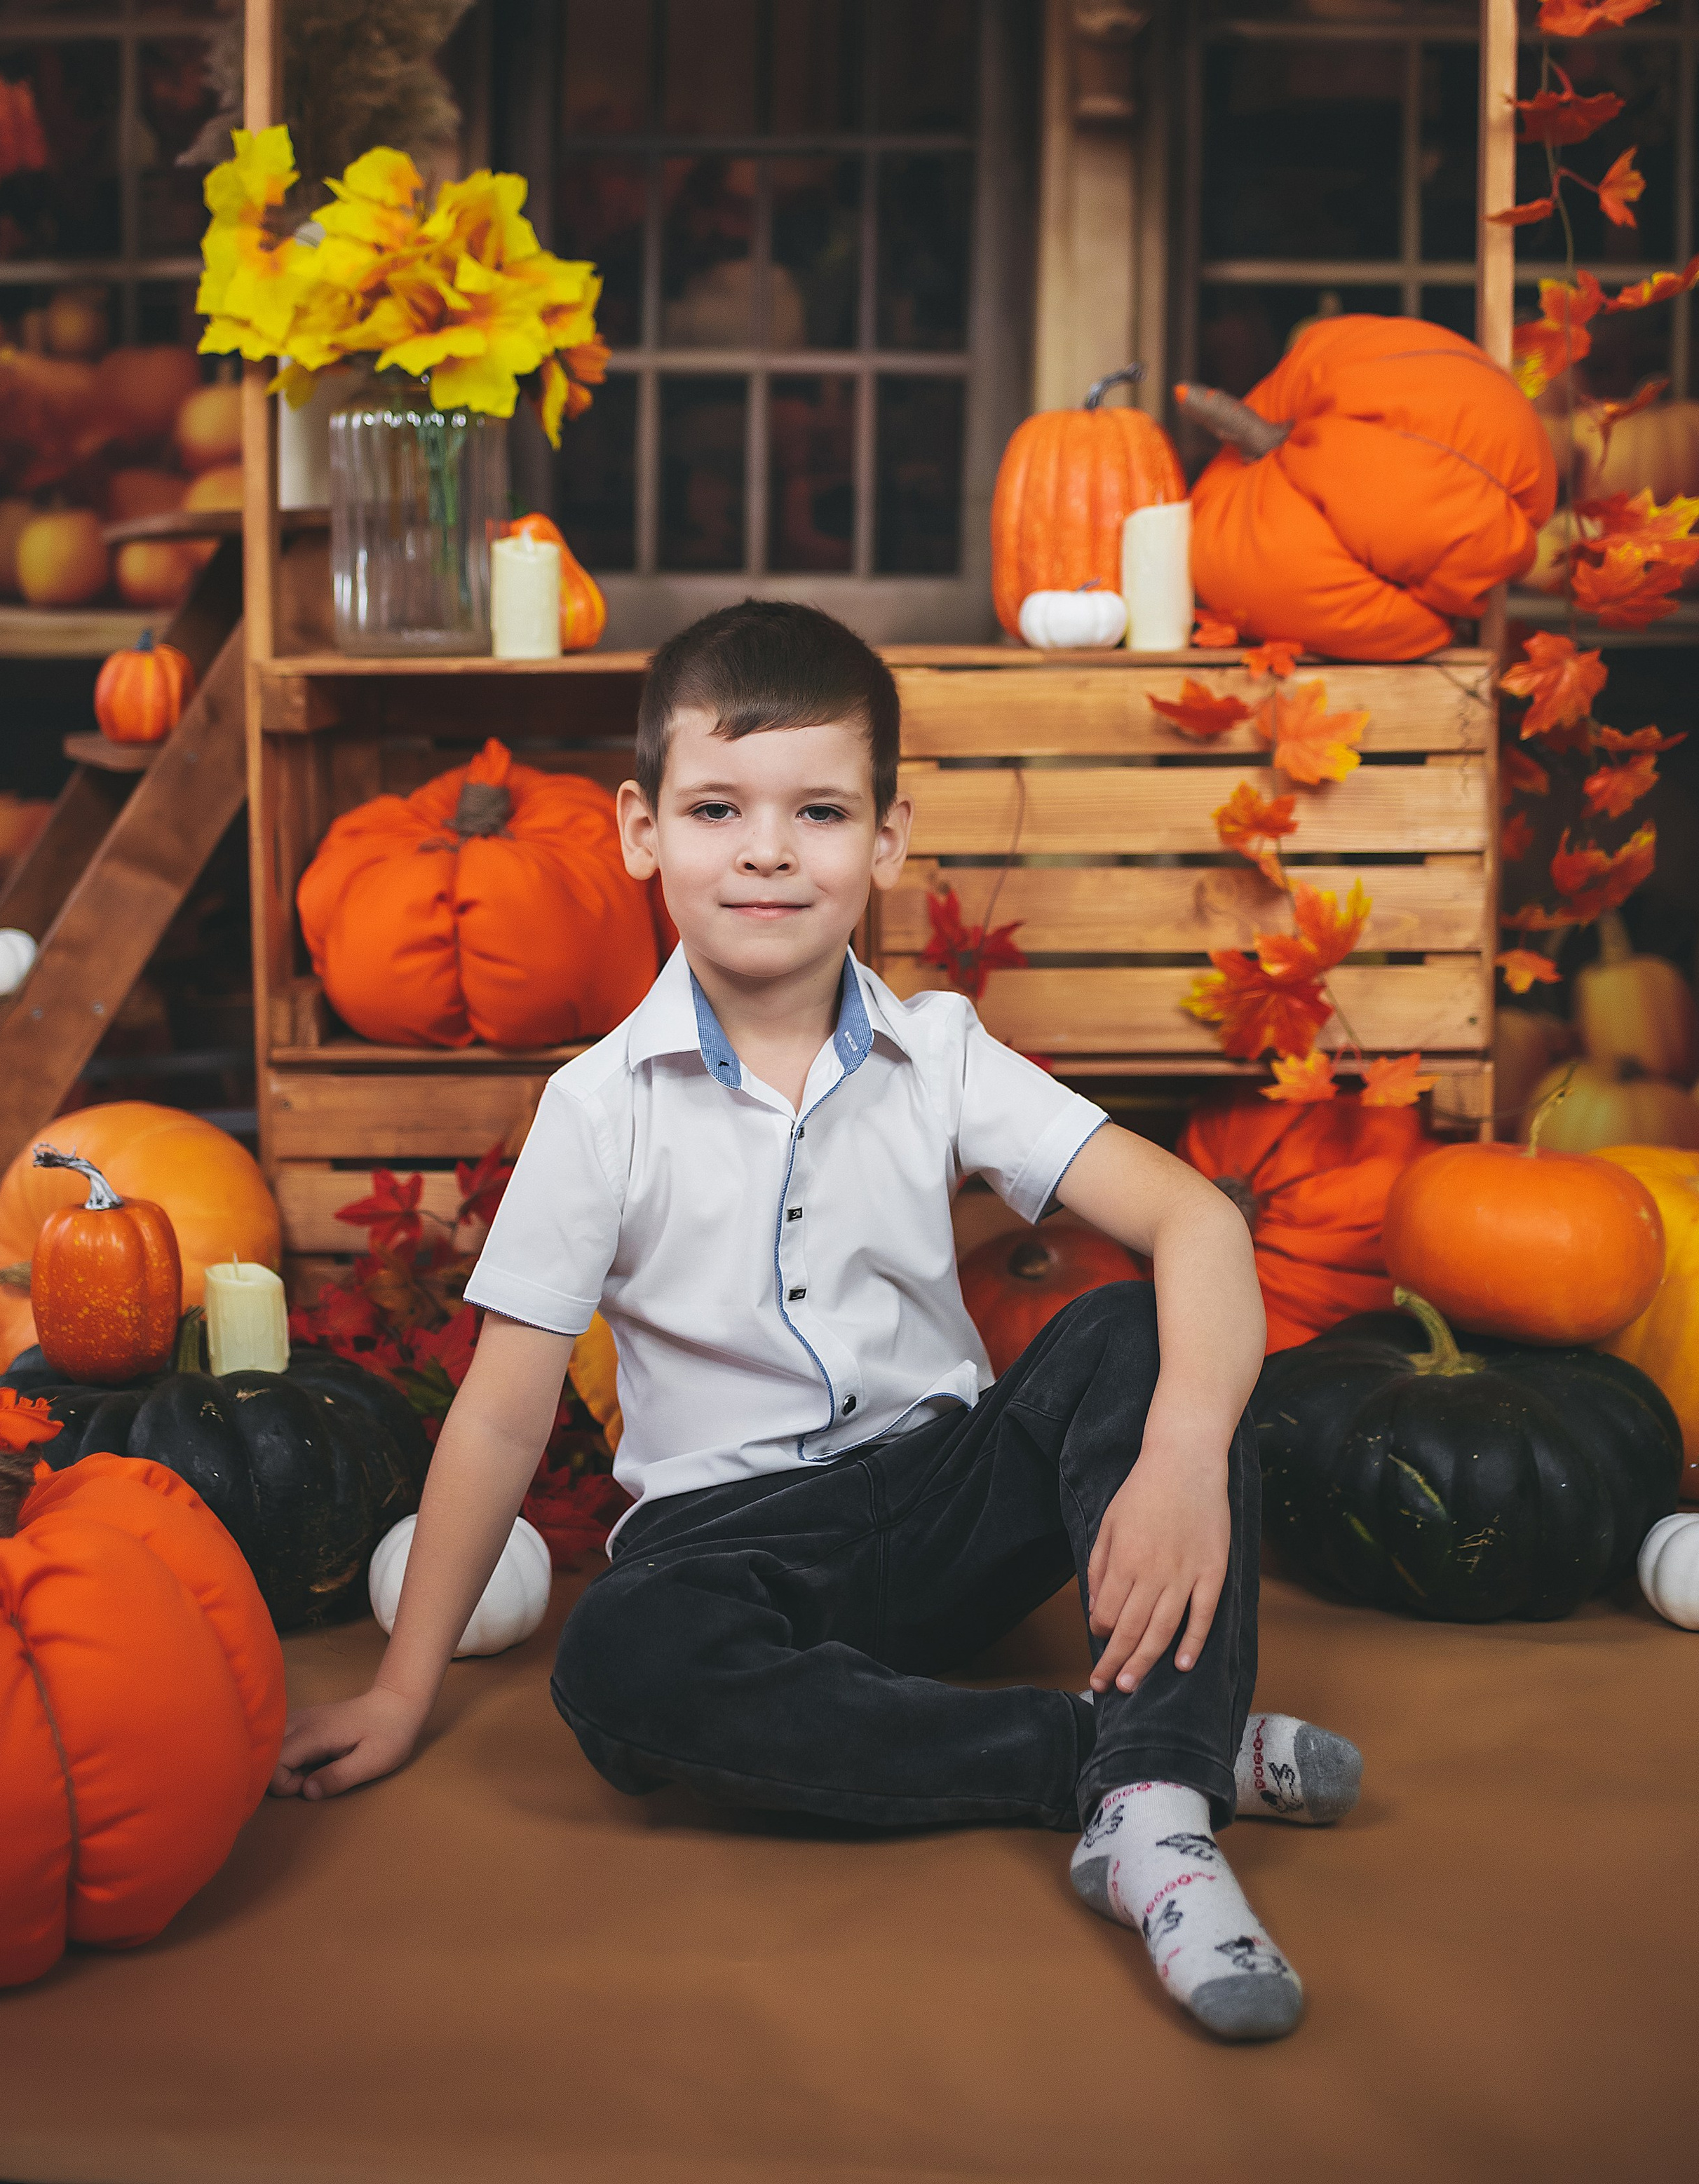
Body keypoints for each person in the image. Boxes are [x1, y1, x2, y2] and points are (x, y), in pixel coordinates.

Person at [273, 599, 1360, 2042]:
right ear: (640, 830)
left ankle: (1156, 1828)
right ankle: (1130, 1756)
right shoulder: (595, 1111)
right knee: (617, 1665)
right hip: (734, 1548)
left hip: (948, 1494)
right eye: (718, 806)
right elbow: (501, 1404)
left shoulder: (939, 1055)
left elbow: (1198, 1220)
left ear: (887, 837)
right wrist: (406, 1689)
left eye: (819, 810)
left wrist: (1173, 1455)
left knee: (1139, 1334)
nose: (768, 850)